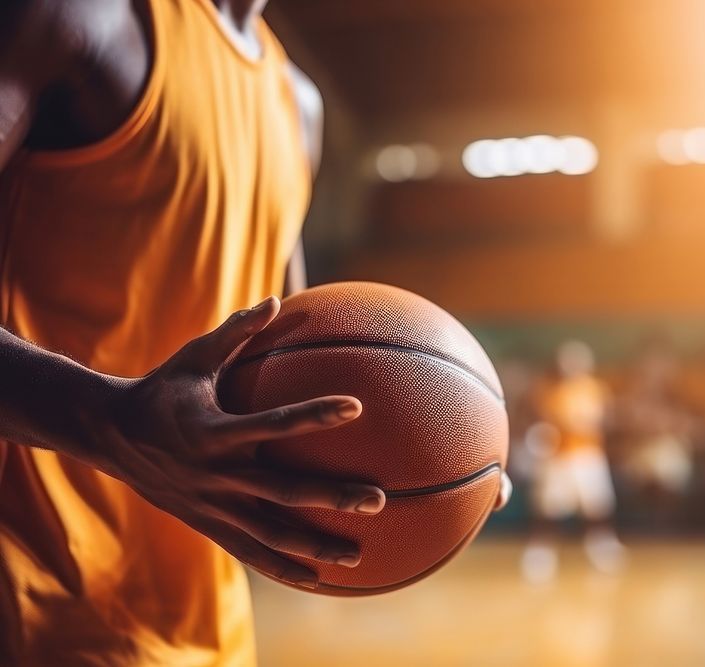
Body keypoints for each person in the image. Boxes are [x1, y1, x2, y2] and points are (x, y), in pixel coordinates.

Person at [0, 1, 511, 664]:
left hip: (210, 630)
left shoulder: (299, 106)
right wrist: (110, 421)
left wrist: (451, 448)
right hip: (30, 612)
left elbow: (290, 371)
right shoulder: (78, 15)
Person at [521, 341, 625, 583]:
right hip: (560, 459)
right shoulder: (552, 392)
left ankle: (602, 548)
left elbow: (601, 420)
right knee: (548, 508)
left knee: (597, 505)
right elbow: (549, 422)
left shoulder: (594, 389)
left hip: (588, 457)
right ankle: (540, 552)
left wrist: (585, 425)